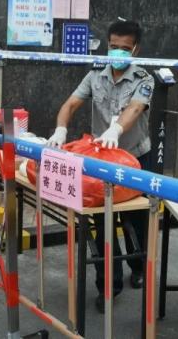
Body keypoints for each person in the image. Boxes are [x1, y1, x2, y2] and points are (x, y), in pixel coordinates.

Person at [47, 19, 154, 313]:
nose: (118, 53)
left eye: (124, 48)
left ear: (136, 49)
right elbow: (70, 105)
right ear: (107, 45)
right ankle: (108, 286)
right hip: (102, 161)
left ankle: (139, 266)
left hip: (133, 157)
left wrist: (116, 130)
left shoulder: (145, 79)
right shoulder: (95, 75)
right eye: (113, 47)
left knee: (135, 222)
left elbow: (135, 109)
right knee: (103, 224)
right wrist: (60, 130)